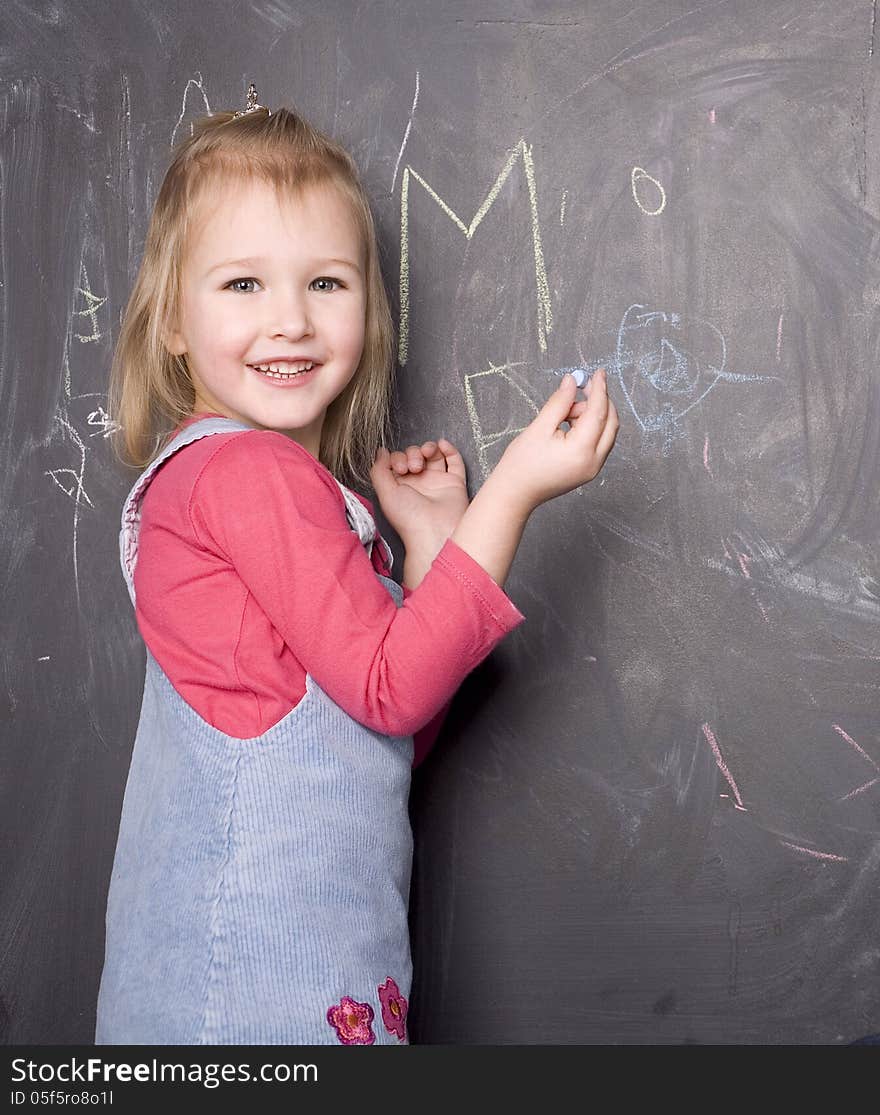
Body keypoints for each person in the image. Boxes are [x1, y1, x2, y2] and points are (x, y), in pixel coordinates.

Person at [95, 85, 619, 1046]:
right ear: (172, 318)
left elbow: (384, 739)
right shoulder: (248, 474)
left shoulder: (262, 484)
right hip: (248, 1001)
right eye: (243, 284)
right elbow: (391, 691)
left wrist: (426, 550)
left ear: (366, 308)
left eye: (326, 283)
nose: (290, 319)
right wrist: (509, 498)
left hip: (301, 978)